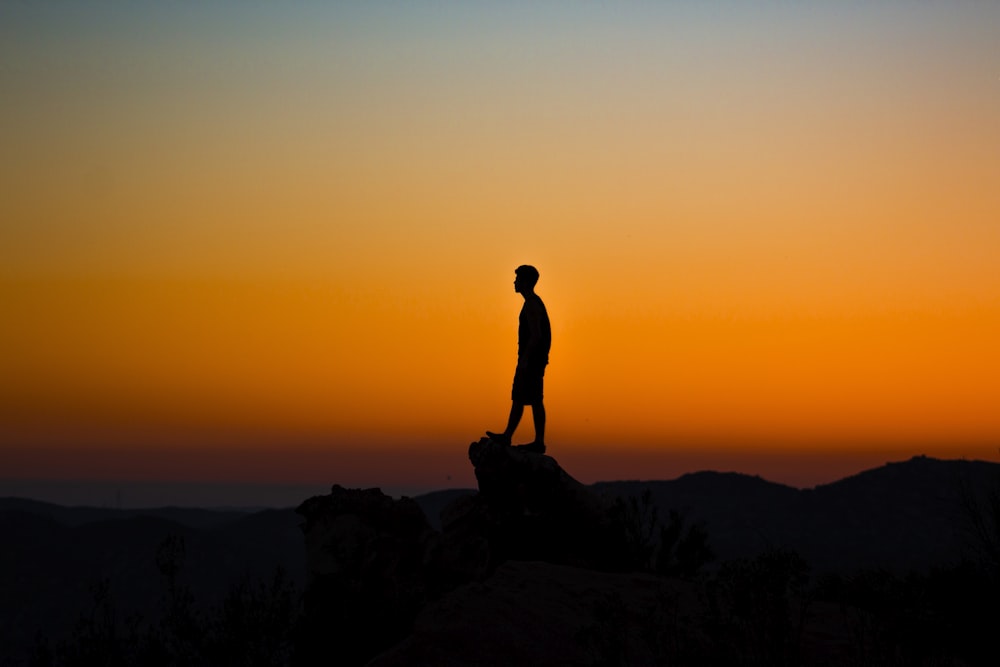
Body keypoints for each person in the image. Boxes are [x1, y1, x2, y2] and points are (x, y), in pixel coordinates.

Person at [486, 265, 551, 453]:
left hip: (530, 360)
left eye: (517, 279)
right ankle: (509, 436)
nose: (514, 282)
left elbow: (536, 335)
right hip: (533, 360)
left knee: (532, 399)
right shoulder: (533, 303)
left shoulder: (531, 304)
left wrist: (525, 359)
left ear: (525, 282)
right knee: (521, 398)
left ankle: (537, 442)